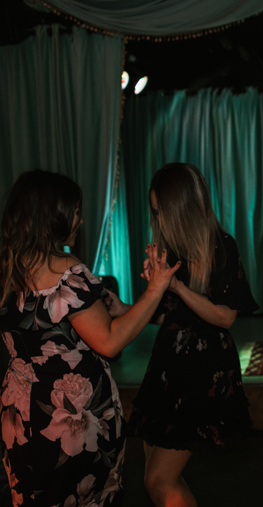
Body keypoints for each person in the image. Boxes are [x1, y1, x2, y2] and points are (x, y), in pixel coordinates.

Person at [0, 169, 179, 506]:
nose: (80, 220)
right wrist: (155, 289)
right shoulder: (66, 271)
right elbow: (109, 342)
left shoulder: (6, 267)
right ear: (55, 216)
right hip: (72, 417)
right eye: (76, 211)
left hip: (20, 412)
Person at [109, 163, 257, 507]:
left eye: (163, 211)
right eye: (155, 211)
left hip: (202, 369)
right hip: (168, 368)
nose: (158, 219)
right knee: (153, 477)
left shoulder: (220, 247)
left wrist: (174, 285)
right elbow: (170, 315)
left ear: (183, 209)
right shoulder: (170, 250)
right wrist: (127, 307)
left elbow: (225, 317)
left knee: (160, 479)